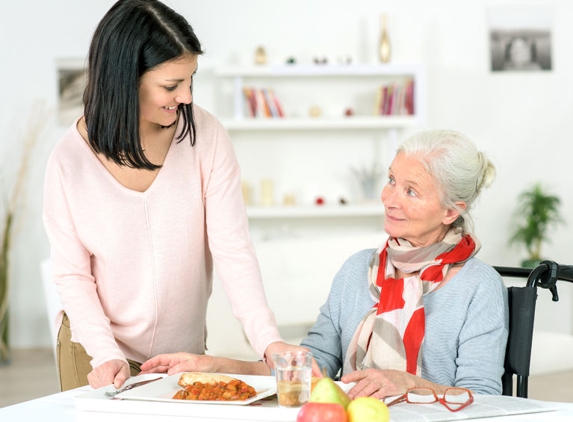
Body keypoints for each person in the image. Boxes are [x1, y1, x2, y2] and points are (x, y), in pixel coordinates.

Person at [42, 0, 309, 392]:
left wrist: (268, 341)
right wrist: (105, 353)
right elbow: (73, 274)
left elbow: (232, 249)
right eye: (171, 85)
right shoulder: (68, 161)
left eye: (190, 80)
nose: (185, 96)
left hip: (181, 356)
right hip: (96, 352)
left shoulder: (206, 137)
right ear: (125, 79)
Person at [141, 129, 509, 399]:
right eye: (392, 181)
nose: (389, 199)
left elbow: (485, 399)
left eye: (410, 191)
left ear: (451, 211)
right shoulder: (357, 270)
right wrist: (218, 367)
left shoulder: (479, 286)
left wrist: (410, 383)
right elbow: (309, 368)